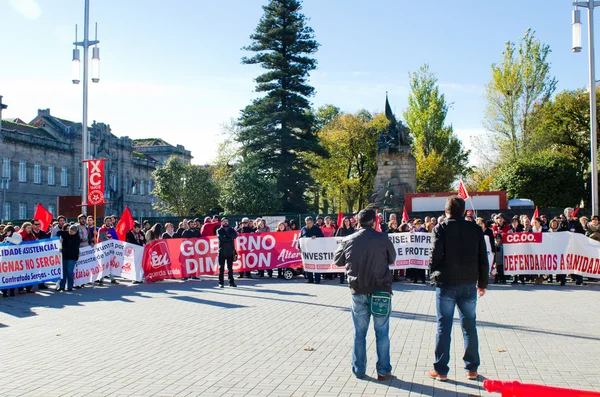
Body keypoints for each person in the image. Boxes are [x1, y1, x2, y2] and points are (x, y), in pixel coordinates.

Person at [429, 196, 488, 382]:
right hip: (469, 283)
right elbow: (483, 259)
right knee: (469, 326)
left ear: (446, 211)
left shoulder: (441, 228)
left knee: (443, 326)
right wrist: (483, 283)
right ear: (464, 211)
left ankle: (441, 370)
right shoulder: (476, 229)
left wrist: (433, 273)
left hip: (446, 282)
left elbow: (435, 255)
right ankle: (472, 369)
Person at [333, 208, 396, 381]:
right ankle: (383, 371)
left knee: (359, 333)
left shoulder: (348, 239)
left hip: (358, 289)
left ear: (357, 222)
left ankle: (359, 370)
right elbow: (392, 259)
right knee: (382, 332)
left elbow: (337, 260)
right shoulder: (383, 238)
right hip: (380, 289)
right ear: (374, 222)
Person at [559, 207, 585, 285]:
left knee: (576, 262)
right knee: (564, 262)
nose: (570, 214)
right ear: (565, 214)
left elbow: (582, 233)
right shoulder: (562, 223)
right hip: (565, 246)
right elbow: (559, 233)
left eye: (571, 212)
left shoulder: (577, 223)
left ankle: (579, 278)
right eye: (568, 213)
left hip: (575, 246)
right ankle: (562, 279)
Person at [56, 224, 81, 292]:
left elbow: (71, 248)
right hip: (64, 255)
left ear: (76, 232)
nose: (71, 233)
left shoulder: (76, 238)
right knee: (63, 271)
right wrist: (62, 237)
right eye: (70, 231)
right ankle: (62, 286)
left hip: (72, 256)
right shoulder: (66, 233)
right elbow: (58, 233)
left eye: (72, 232)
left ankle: (70, 286)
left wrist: (63, 249)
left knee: (69, 271)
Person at [300, 216, 324, 284]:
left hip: (316, 249)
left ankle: (317, 279)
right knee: (308, 264)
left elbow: (322, 237)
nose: (308, 224)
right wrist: (299, 247)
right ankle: (310, 279)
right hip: (307, 250)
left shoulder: (317, 229)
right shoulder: (303, 229)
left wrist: (316, 237)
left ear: (312, 223)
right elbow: (300, 238)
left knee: (316, 264)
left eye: (309, 223)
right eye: (307, 223)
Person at [216, 218, 238, 288]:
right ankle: (221, 283)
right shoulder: (219, 230)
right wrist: (230, 238)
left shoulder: (231, 229)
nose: (226, 223)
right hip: (222, 251)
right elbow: (221, 238)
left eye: (226, 221)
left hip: (230, 251)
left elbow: (235, 235)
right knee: (221, 268)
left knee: (230, 268)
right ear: (221, 222)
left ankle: (231, 282)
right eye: (224, 221)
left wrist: (227, 236)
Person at [1, 225, 21, 297]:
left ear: (11, 231)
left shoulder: (17, 236)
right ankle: (4, 291)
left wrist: (8, 239)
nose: (6, 234)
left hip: (14, 260)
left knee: (13, 275)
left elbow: (18, 242)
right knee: (5, 276)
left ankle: (12, 291)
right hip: (5, 260)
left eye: (7, 232)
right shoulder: (6, 238)